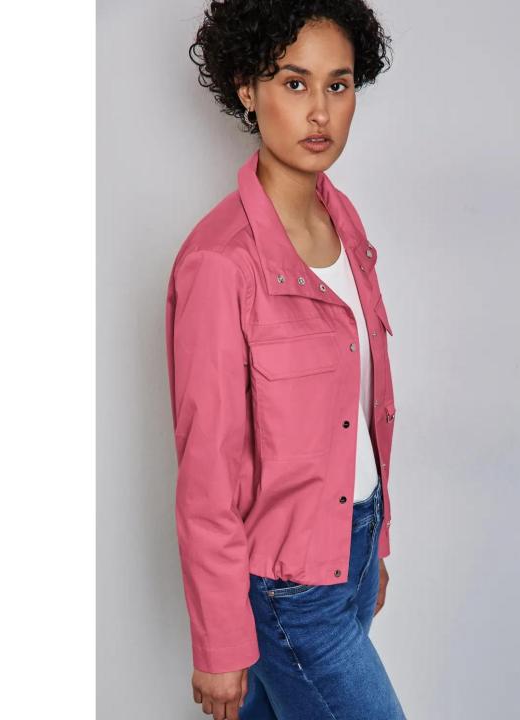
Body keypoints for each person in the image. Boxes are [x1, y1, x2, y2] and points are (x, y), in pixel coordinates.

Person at [164, 2, 404, 718]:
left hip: (351, 550)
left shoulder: (343, 218)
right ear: (247, 88)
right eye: (295, 83)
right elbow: (206, 471)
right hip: (287, 591)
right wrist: (219, 643)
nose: (320, 111)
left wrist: (373, 545)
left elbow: (360, 412)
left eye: (339, 84)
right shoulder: (219, 263)